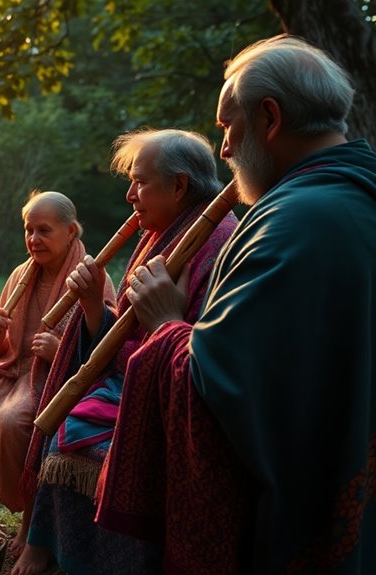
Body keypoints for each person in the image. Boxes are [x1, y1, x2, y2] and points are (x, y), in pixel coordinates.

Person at [95, 35, 376, 574]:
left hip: (306, 526)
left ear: (269, 117)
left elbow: (228, 392)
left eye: (228, 126)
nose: (223, 150)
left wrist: (168, 326)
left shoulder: (292, 227)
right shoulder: (352, 197)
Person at [13, 130, 239, 575]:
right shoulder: (161, 232)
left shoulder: (218, 244)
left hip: (181, 399)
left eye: (140, 182)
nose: (130, 195)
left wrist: (163, 325)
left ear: (179, 186)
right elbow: (126, 340)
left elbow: (195, 353)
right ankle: (49, 545)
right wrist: (95, 304)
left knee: (78, 434)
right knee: (67, 425)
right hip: (138, 379)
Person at [0, 192, 114, 541]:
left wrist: (60, 349)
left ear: (72, 231)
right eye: (29, 230)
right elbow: (0, 352)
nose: (34, 239)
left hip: (52, 378)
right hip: (9, 371)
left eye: (44, 230)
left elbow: (106, 348)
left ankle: (32, 521)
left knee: (10, 421)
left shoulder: (92, 278)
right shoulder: (20, 273)